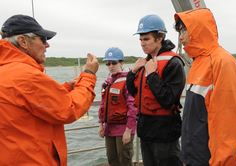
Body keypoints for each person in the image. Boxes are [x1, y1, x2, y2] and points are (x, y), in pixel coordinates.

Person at [0, 14, 99, 166]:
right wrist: (89, 75)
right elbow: (68, 109)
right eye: (43, 39)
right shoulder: (26, 75)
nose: (47, 46)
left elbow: (27, 101)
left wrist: (65, 88)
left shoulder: (6, 71)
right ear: (23, 41)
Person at [174, 8, 236, 166]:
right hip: (196, 157)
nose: (180, 36)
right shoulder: (199, 62)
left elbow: (227, 127)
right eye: (179, 31)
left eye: (184, 30)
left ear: (197, 29)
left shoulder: (222, 62)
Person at [126, 14, 186, 166]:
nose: (142, 43)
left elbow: (168, 99)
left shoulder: (174, 63)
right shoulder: (145, 62)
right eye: (140, 39)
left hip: (164, 132)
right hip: (146, 131)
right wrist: (132, 72)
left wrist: (152, 74)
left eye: (146, 39)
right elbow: (134, 92)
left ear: (159, 38)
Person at [98, 47, 137, 166]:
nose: (111, 66)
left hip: (123, 130)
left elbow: (133, 107)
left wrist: (128, 131)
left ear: (121, 63)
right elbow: (103, 104)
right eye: (108, 63)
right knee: (112, 160)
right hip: (109, 129)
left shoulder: (128, 81)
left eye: (114, 63)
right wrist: (100, 124)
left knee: (124, 161)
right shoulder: (106, 83)